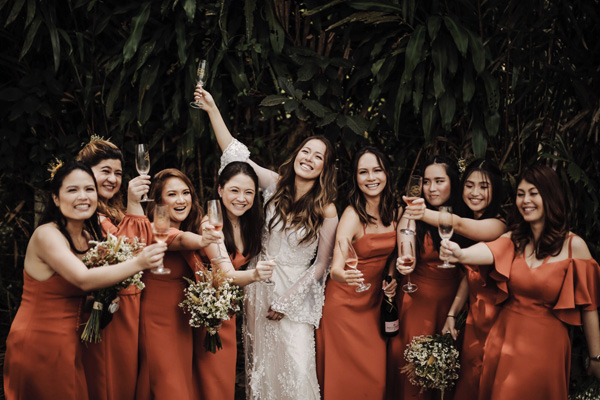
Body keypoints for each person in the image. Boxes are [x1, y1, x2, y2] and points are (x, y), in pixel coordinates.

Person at [195, 86, 338, 400]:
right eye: (306, 151)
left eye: (318, 157)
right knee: (264, 369)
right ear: (297, 153)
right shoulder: (273, 184)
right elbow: (235, 155)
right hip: (258, 287)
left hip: (296, 295)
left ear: (324, 168)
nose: (309, 159)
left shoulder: (326, 209)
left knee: (299, 368)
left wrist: (287, 301)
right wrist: (213, 109)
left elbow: (322, 265)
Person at [3, 161, 166, 400]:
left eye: (89, 189)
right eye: (72, 190)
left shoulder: (89, 237)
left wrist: (104, 301)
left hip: (72, 344)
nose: (83, 196)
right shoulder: (47, 235)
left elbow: (85, 294)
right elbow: (83, 279)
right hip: (40, 343)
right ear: (56, 199)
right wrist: (138, 263)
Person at [440, 164, 600, 399]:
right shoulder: (513, 239)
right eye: (521, 194)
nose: (526, 200)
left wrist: (596, 357)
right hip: (504, 339)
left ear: (550, 196)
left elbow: (589, 308)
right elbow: (487, 252)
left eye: (533, 193)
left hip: (547, 345)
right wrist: (460, 253)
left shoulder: (574, 246)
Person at [404, 158, 507, 399]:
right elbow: (470, 274)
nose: (475, 193)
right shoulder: (472, 219)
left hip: (493, 317)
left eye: (483, 187)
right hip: (470, 313)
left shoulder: (499, 224)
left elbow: (458, 223)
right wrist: (452, 313)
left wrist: (421, 211)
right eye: (469, 185)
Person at [316, 147, 399, 399]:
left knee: (374, 378)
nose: (371, 177)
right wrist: (345, 275)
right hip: (343, 306)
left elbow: (395, 253)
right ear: (356, 178)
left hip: (373, 304)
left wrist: (392, 276)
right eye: (363, 172)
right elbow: (336, 268)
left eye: (377, 170)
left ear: (386, 174)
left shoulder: (395, 211)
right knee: (343, 379)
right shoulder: (352, 215)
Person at [76, 137, 153, 400]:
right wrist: (134, 202)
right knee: (108, 380)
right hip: (106, 309)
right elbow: (129, 251)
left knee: (124, 380)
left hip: (128, 307)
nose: (113, 179)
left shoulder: (113, 212)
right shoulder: (87, 215)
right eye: (105, 171)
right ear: (85, 173)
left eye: (118, 173)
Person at [135, 168, 221, 399]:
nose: (181, 200)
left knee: (180, 383)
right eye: (172, 194)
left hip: (181, 323)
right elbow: (180, 240)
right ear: (159, 200)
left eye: (185, 192)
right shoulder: (152, 228)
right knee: (168, 387)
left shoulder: (189, 226)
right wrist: (203, 240)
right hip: (157, 322)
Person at [195, 161, 273, 400]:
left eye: (249, 192)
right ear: (220, 190)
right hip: (204, 313)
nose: (242, 198)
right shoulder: (210, 225)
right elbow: (226, 274)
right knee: (210, 381)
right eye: (235, 190)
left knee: (224, 380)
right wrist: (255, 275)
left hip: (226, 310)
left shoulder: (251, 224)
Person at [387, 156, 463, 400]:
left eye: (439, 181)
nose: (431, 188)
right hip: (416, 301)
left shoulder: (463, 217)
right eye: (427, 182)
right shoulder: (412, 215)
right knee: (410, 372)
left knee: (445, 373)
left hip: (453, 304)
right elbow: (406, 243)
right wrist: (404, 260)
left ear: (453, 183)